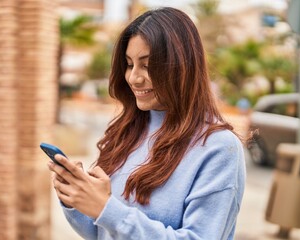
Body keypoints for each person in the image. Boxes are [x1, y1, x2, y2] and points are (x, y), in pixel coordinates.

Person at [48, 7, 246, 240]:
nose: (134, 78)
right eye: (130, 64)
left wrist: (106, 209)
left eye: (147, 65)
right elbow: (101, 233)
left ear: (182, 66)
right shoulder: (127, 132)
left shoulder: (219, 148)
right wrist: (75, 199)